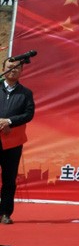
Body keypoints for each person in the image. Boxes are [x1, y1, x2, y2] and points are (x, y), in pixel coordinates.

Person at [0, 57, 35, 224]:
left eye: (17, 67)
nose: (13, 70)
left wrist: (9, 122)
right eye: (10, 67)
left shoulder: (26, 93)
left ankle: (5, 213)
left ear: (22, 71)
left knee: (9, 179)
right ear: (3, 69)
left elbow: (29, 114)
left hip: (13, 141)